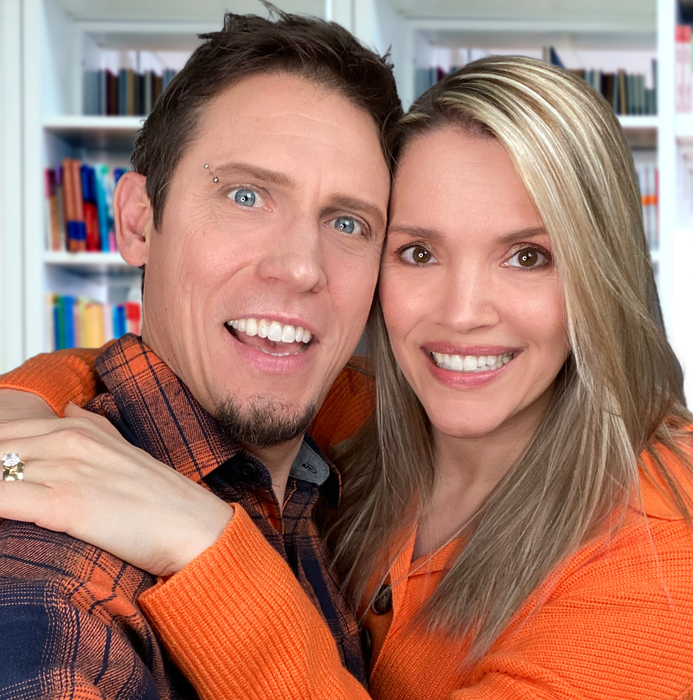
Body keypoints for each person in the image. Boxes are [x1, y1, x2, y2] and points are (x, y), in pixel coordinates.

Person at [3, 55, 693, 700]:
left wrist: (201, 544)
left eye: (527, 257)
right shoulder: (362, 412)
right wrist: (21, 412)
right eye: (419, 252)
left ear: (601, 276)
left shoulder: (670, 547)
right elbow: (158, 367)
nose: (462, 314)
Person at [0, 8, 402, 698]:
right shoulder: (58, 580)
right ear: (138, 221)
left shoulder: (348, 465)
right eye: (246, 195)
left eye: (348, 222)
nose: (301, 267)